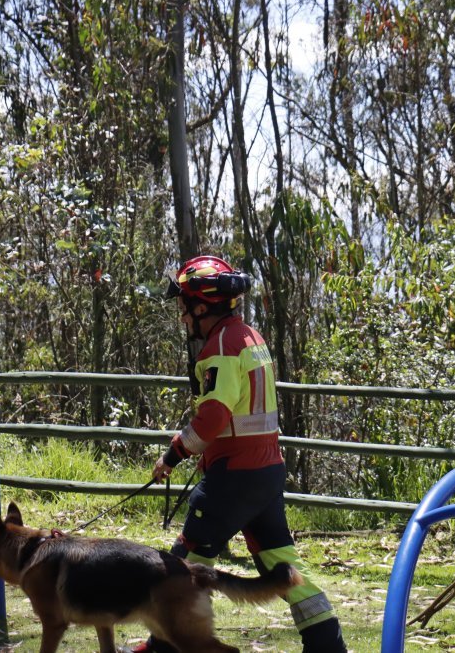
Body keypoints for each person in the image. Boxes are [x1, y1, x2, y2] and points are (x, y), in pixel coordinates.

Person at [124, 256, 348, 653]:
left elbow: (213, 417)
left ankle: (161, 648)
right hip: (265, 472)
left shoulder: (220, 347)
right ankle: (327, 645)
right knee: (284, 568)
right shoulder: (250, 337)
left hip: (233, 478)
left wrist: (172, 456)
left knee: (181, 566)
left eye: (183, 308)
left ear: (201, 307)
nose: (181, 318)